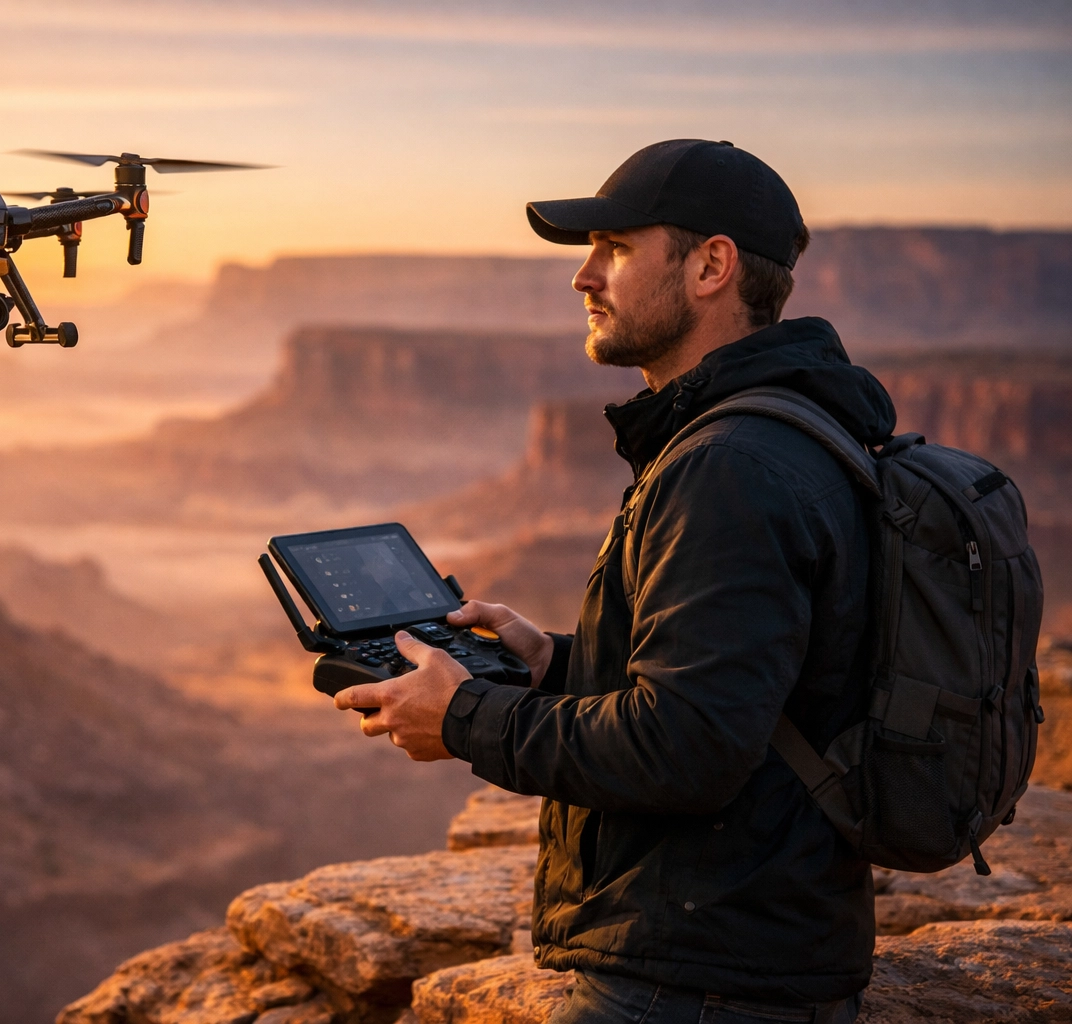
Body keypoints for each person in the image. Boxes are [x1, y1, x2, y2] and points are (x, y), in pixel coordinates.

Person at [333, 140, 893, 1024]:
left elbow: (688, 750)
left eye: (617, 249)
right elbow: (754, 683)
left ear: (712, 265)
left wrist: (465, 718)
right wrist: (554, 660)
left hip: (700, 981)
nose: (583, 277)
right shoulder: (788, 427)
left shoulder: (730, 464)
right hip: (746, 951)